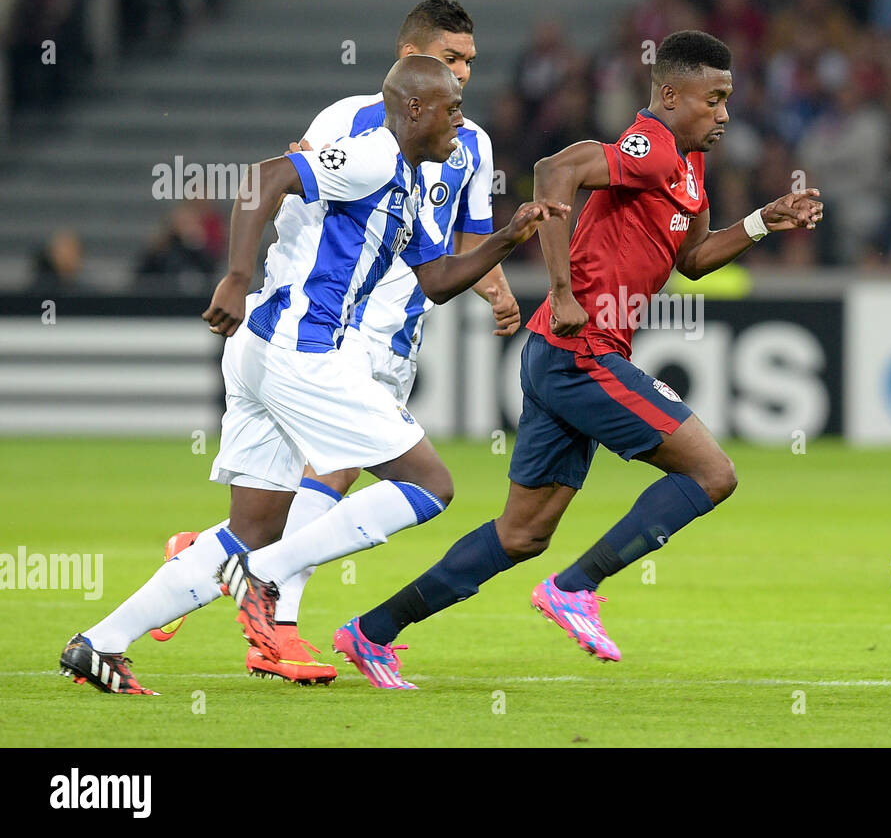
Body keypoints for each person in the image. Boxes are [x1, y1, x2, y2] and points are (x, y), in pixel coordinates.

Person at [322, 30, 822, 689]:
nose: (724, 114)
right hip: (580, 353)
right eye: (714, 99)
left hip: (563, 357)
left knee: (521, 534)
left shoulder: (689, 165)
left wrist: (762, 221)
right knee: (712, 473)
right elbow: (555, 170)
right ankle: (575, 588)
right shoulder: (650, 146)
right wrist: (559, 289)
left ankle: (371, 631)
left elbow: (693, 261)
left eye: (729, 100)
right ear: (670, 96)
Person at [59, 56, 563, 694]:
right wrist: (236, 276)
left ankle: (99, 643)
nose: (460, 123)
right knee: (430, 485)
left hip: (261, 351)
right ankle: (265, 575)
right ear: (413, 109)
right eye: (451, 109)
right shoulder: (375, 156)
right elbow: (264, 179)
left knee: (251, 525)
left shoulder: (406, 177)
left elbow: (434, 281)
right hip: (303, 347)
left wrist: (508, 238)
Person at [152, 0, 518, 686]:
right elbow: (294, 200)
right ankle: (277, 624)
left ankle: (201, 560)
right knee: (342, 472)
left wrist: (493, 282)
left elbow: (462, 244)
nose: (463, 74)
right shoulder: (347, 120)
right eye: (449, 58)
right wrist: (251, 281)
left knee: (282, 502)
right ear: (408, 55)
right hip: (334, 330)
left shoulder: (472, 142)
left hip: (403, 331)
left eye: (469, 60)